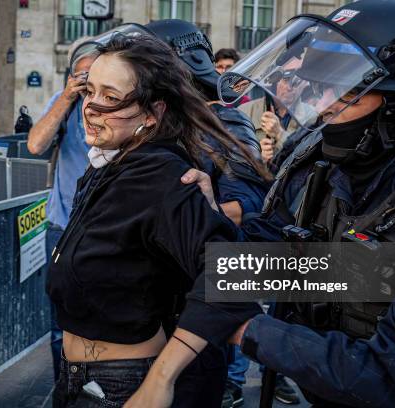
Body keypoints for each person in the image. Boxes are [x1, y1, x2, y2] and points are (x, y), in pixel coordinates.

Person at [191, 1, 395, 406]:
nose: (323, 101)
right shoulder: (333, 161)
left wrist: (247, 329)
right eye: (319, 82)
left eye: (346, 87)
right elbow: (312, 258)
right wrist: (205, 228)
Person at [47, 34, 262, 408]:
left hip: (123, 386)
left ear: (152, 113)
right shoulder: (108, 164)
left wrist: (161, 379)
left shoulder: (163, 175)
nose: (92, 108)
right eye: (89, 91)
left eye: (111, 97)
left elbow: (231, 274)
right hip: (80, 380)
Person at [143, 19, 273, 408]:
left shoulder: (224, 119)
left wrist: (204, 210)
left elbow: (252, 204)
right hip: (150, 303)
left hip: (195, 302)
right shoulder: (155, 122)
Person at [27, 36, 95, 382]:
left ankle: (98, 389)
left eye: (95, 75)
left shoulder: (117, 106)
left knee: (100, 321)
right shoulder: (64, 102)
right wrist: (68, 97)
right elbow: (36, 144)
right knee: (60, 328)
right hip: (62, 229)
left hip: (102, 233)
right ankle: (65, 391)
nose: (88, 84)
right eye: (82, 77)